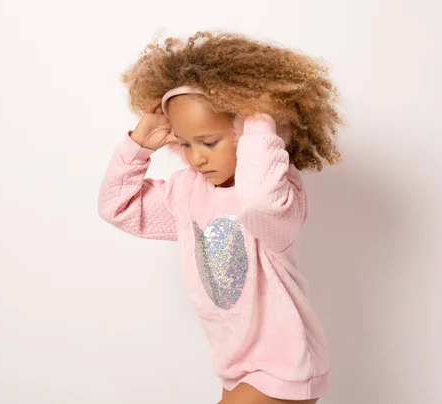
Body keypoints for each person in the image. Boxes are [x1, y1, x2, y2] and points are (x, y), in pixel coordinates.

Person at [97, 31, 342, 404]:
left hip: (282, 362)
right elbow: (119, 207)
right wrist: (138, 144)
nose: (197, 158)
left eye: (209, 142)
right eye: (184, 143)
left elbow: (259, 202)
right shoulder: (186, 192)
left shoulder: (277, 194)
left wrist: (260, 115)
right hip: (233, 363)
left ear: (247, 132)